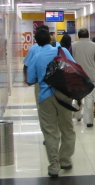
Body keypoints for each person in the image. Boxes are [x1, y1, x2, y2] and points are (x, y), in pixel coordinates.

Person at [26, 28, 76, 178]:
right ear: (50, 39)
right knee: (67, 128)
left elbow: (30, 80)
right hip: (64, 95)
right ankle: (65, 160)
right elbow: (74, 68)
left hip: (45, 97)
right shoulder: (62, 51)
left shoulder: (36, 56)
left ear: (36, 42)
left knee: (50, 132)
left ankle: (54, 166)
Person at [69, 28, 95, 127]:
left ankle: (77, 116)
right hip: (90, 76)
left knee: (77, 97)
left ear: (78, 36)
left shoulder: (73, 46)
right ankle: (89, 121)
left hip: (77, 76)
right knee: (90, 98)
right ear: (88, 36)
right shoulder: (94, 46)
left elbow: (69, 60)